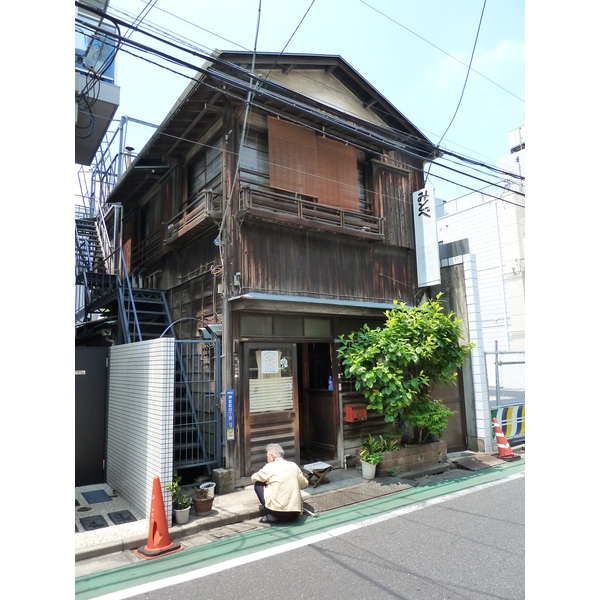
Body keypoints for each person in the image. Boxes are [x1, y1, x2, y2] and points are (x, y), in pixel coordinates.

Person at [251, 443, 309, 524]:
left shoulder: (269, 467)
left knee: (258, 484)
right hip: (295, 514)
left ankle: (272, 516)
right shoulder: (293, 465)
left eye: (267, 456)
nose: (267, 458)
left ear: (272, 456)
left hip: (277, 512)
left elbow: (254, 478)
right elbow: (305, 483)